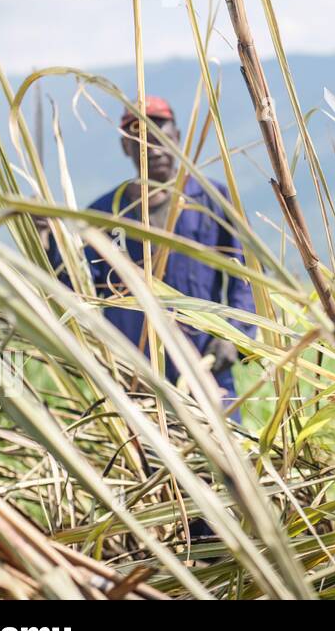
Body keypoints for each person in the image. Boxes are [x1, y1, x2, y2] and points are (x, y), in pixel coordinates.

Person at [43, 96, 255, 411]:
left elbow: (247, 275)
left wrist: (233, 336)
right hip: (135, 377)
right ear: (125, 148)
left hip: (205, 370)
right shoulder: (105, 215)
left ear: (178, 137)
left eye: (160, 137)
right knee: (147, 458)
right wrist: (47, 241)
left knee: (223, 456)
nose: (153, 149)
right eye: (140, 140)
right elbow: (78, 288)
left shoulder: (211, 200)